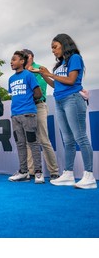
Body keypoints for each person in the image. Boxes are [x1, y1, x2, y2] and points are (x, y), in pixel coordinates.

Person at [39, 34, 96, 189]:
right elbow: (56, 85)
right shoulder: (60, 64)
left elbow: (71, 81)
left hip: (73, 99)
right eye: (52, 48)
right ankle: (68, 174)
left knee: (80, 137)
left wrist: (50, 73)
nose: (53, 51)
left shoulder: (75, 58)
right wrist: (43, 74)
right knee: (68, 139)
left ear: (64, 45)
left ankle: (89, 175)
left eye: (55, 47)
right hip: (59, 100)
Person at [7, 50, 44, 184]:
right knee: (20, 144)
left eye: (14, 59)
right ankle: (23, 172)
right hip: (15, 115)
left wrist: (28, 101)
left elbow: (38, 93)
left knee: (33, 143)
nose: (11, 62)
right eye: (11, 60)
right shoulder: (11, 79)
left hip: (28, 114)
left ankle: (38, 172)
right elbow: (14, 95)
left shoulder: (29, 75)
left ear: (22, 61)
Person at [23, 49, 59, 180]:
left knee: (44, 139)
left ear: (31, 56)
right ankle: (31, 171)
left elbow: (40, 88)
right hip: (27, 108)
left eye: (25, 56)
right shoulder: (21, 72)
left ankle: (54, 171)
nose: (24, 59)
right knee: (29, 140)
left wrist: (31, 73)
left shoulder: (39, 69)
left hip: (39, 105)